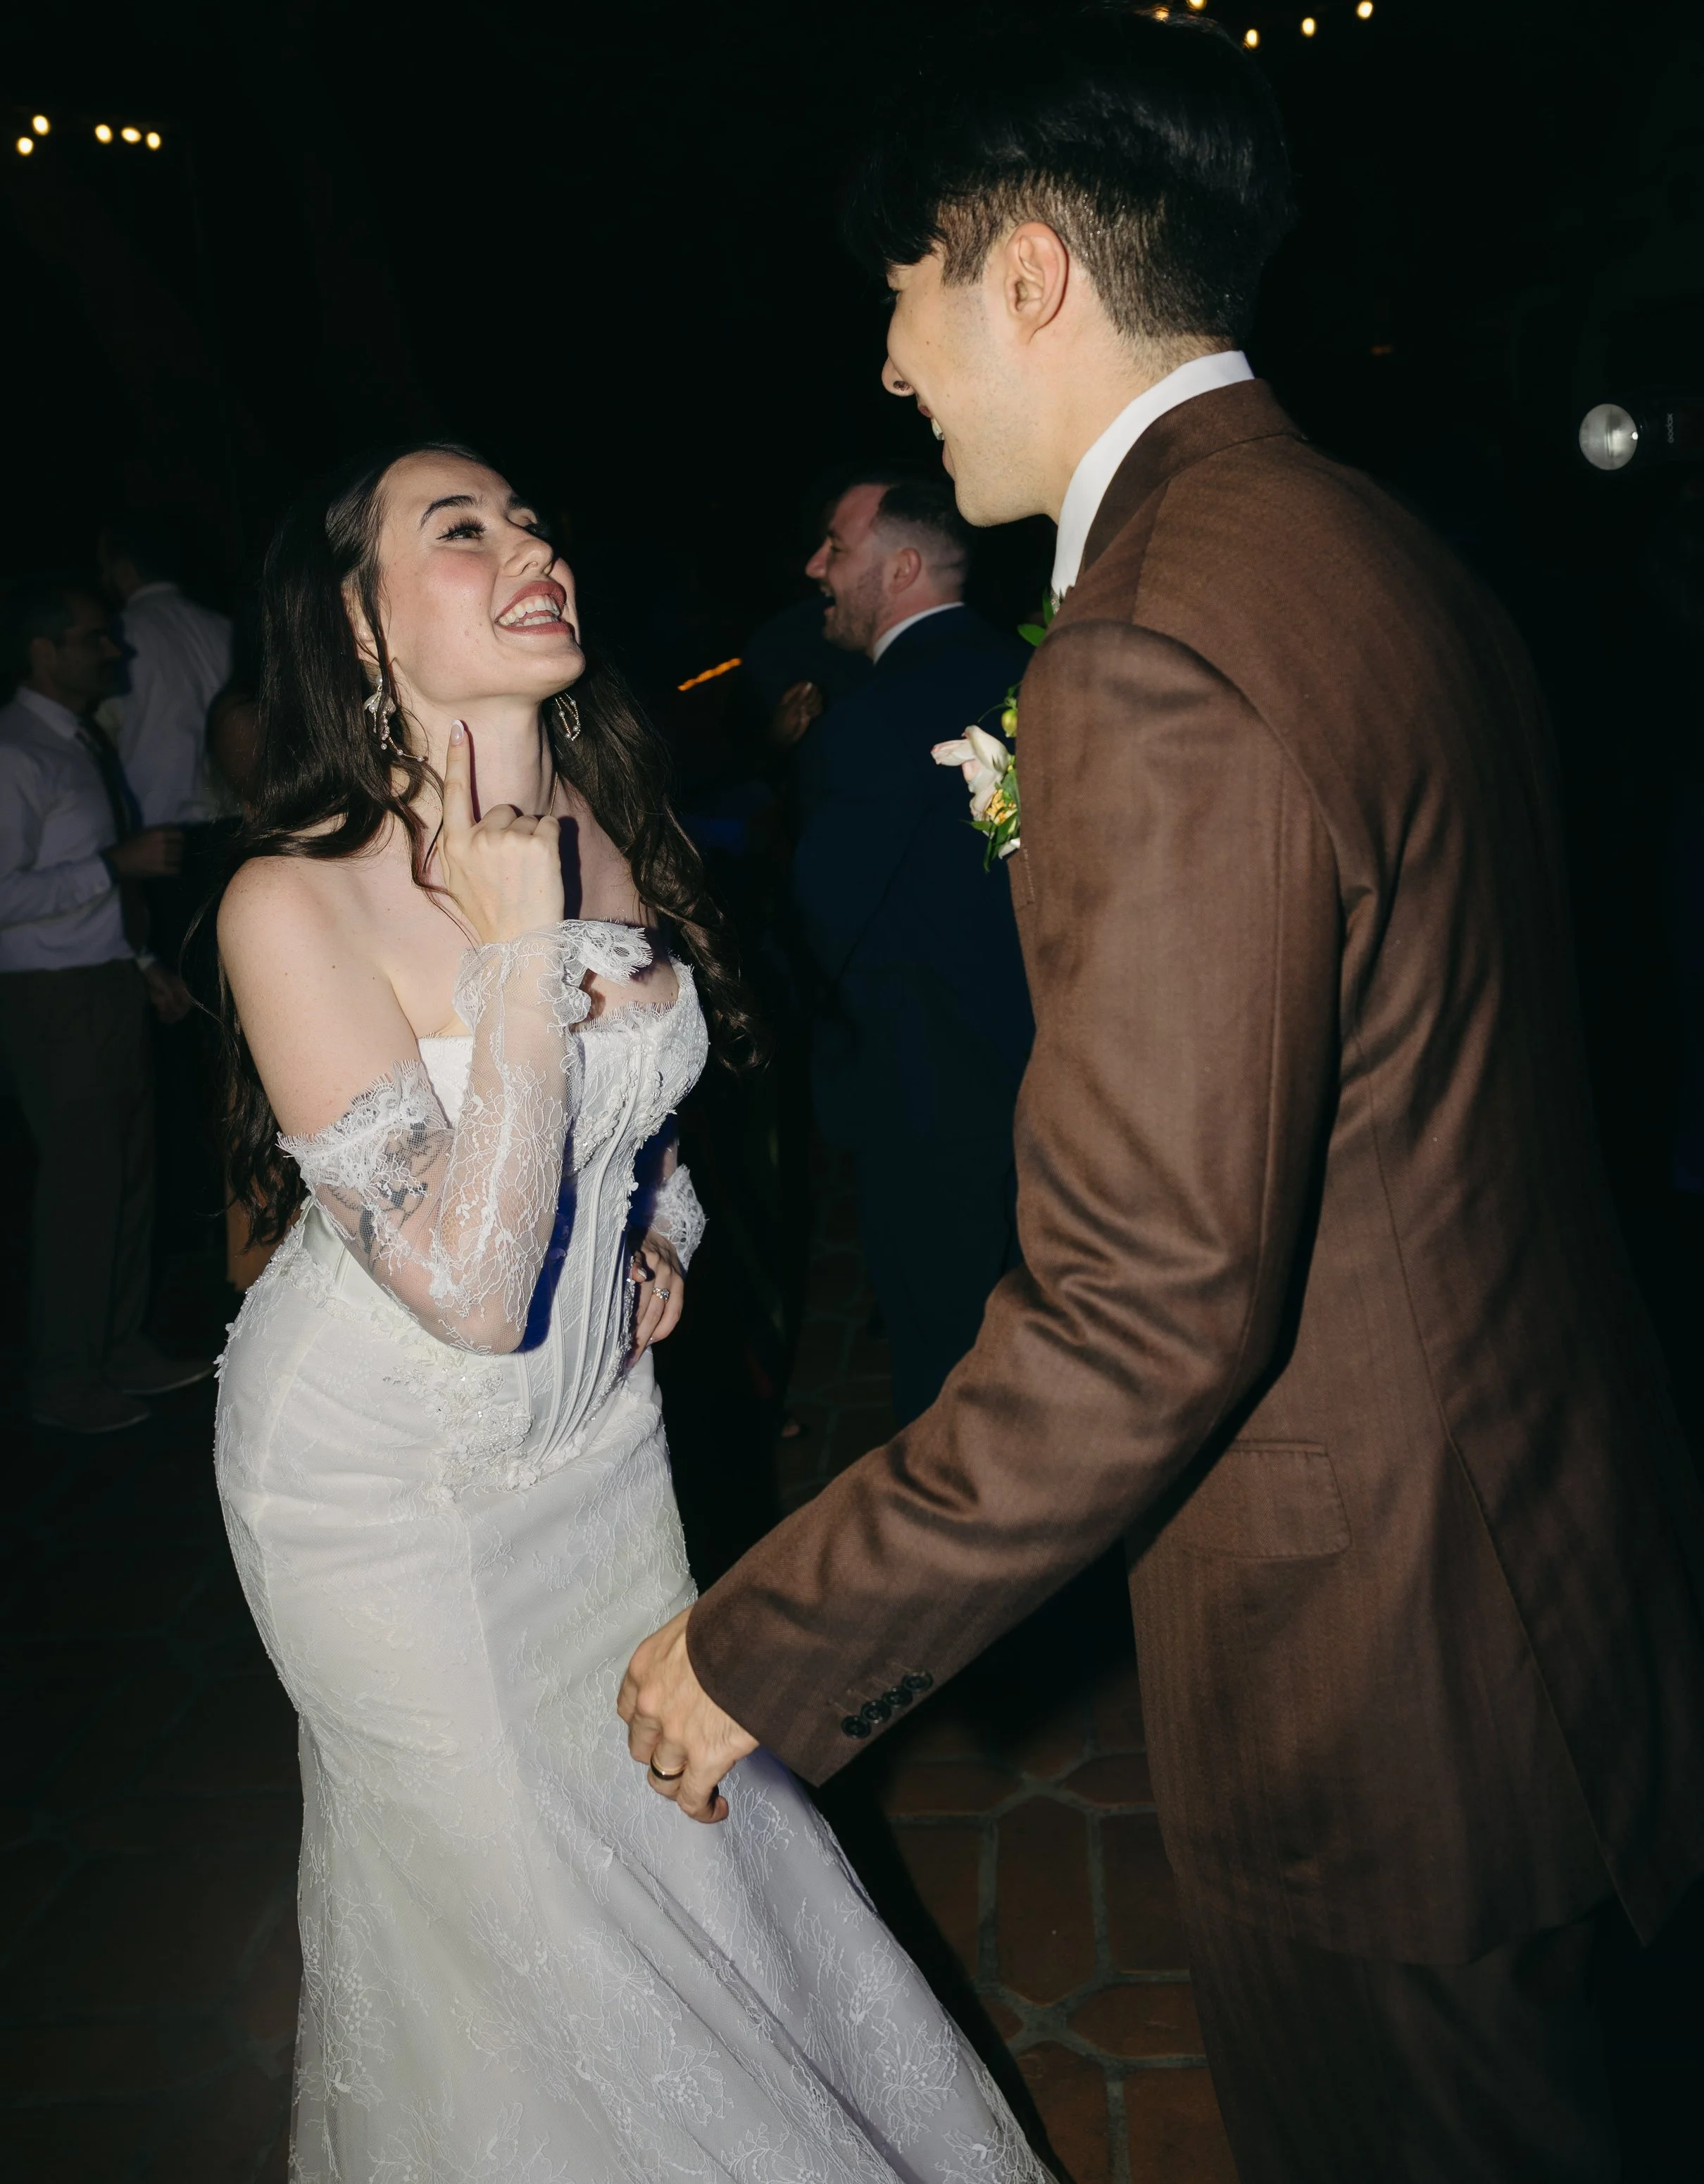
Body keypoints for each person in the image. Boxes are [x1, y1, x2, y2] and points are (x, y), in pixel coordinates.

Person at [619, 12, 1704, 2183]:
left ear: (1026, 269)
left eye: (904, 284)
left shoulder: (1140, 641)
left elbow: (1144, 1308)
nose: (885, 355)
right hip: (1540, 1565)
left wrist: (763, 1637)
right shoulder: (1370, 538)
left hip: (1379, 1674)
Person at [211, 444, 1048, 2183]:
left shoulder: (597, 825)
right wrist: (521, 961)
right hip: (387, 1488)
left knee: (675, 1823)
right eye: (462, 531)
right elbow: (461, 1283)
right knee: (517, 1907)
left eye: (531, 518)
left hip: (595, 1449)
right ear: (360, 632)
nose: (529, 546)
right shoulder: (290, 898)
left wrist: (656, 1218)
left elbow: (645, 1111)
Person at [791, 473, 1032, 1420]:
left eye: (835, 548)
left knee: (956, 1398)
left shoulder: (863, 730)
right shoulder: (1042, 673)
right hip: (1067, 1096)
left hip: (935, 1121)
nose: (815, 566)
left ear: (901, 568)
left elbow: (823, 934)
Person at [0, 581, 210, 1430]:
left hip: (103, 980)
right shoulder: (15, 752)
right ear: (44, 652)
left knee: (127, 1177)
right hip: (53, 999)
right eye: (95, 638)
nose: (114, 652)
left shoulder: (70, 744)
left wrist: (142, 959)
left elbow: (77, 880)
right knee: (82, 1191)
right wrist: (115, 867)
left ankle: (118, 1348)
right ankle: (62, 1376)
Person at [96, 515, 233, 839]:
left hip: (157, 828)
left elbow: (103, 730)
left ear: (124, 570)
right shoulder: (223, 627)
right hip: (231, 817)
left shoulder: (117, 636)